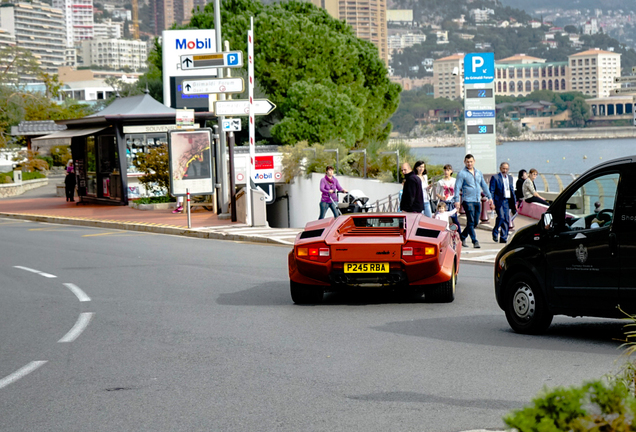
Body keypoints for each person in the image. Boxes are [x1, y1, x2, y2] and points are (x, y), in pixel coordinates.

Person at [453, 154, 493, 249]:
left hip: (477, 200)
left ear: (474, 161)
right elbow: (457, 187)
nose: (469, 163)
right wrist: (457, 200)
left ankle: (462, 236)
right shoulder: (462, 173)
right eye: (467, 162)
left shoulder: (479, 172)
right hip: (467, 200)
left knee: (475, 222)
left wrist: (490, 197)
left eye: (471, 161)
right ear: (464, 162)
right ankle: (475, 241)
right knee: (470, 221)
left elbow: (484, 185)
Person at [489, 162, 515, 244]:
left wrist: (515, 202)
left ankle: (503, 237)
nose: (505, 170)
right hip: (498, 200)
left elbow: (512, 189)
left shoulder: (510, 178)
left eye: (506, 169)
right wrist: (491, 201)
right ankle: (495, 231)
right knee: (501, 217)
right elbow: (492, 190)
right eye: (503, 168)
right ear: (500, 168)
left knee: (506, 219)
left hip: (507, 200)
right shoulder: (495, 177)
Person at [435, 164, 461, 236]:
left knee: (455, 220)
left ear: (451, 171)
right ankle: (440, 234)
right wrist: (441, 197)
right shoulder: (440, 182)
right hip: (443, 202)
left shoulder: (455, 180)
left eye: (448, 170)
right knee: (441, 219)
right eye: (445, 170)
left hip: (451, 202)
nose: (446, 172)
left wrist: (457, 202)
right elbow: (437, 193)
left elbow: (457, 192)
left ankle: (460, 236)